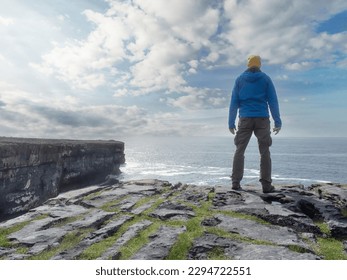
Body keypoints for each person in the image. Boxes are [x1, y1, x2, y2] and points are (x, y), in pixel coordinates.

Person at [228, 55, 282, 193]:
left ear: (248, 64)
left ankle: (235, 183)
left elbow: (234, 101)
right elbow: (273, 101)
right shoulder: (265, 79)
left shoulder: (239, 79)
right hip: (262, 119)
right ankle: (266, 185)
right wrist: (277, 120)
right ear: (260, 65)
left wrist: (231, 122)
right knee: (264, 151)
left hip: (245, 118)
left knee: (239, 150)